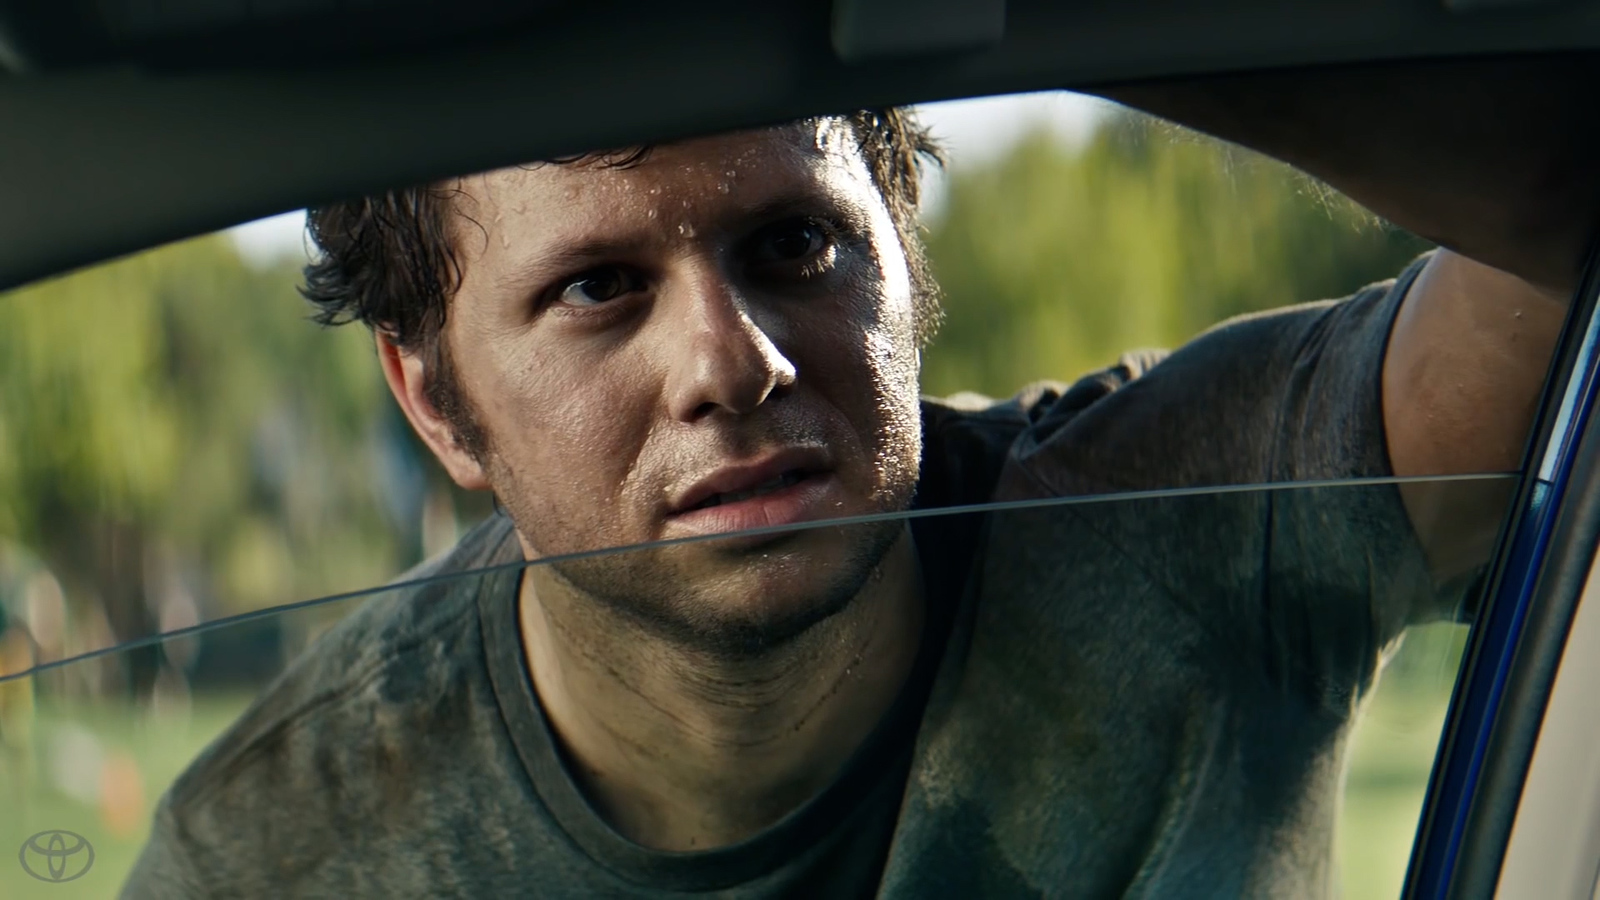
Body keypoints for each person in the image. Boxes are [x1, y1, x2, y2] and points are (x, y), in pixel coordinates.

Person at [119, 93, 1569, 898]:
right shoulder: (267, 855)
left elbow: (1569, 246)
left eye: (797, 245)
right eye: (599, 289)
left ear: (907, 267)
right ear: (435, 397)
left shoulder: (1194, 513)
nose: (729, 361)